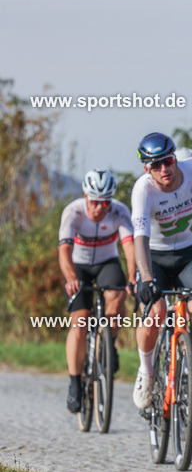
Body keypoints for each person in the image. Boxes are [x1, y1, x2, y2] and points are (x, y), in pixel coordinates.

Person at [130, 133, 192, 418]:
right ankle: (146, 370)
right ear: (146, 169)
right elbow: (139, 236)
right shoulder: (143, 190)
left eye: (167, 161)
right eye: (155, 165)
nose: (164, 170)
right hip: (155, 258)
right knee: (156, 312)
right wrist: (145, 278)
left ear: (175, 158)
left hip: (189, 254)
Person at [58, 170, 136, 413]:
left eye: (105, 202)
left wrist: (133, 277)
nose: (100, 207)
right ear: (85, 197)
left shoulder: (119, 211)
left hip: (106, 262)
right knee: (79, 322)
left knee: (119, 294)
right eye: (95, 202)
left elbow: (129, 246)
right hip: (78, 266)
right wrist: (70, 278)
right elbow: (64, 251)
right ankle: (74, 382)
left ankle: (109, 343)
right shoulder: (73, 211)